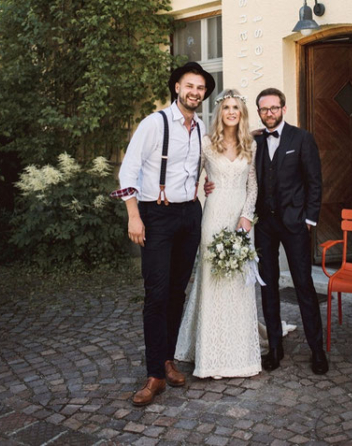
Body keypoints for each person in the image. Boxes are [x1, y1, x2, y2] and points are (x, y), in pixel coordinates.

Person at [205, 88, 329, 375]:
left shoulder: (302, 138)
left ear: (283, 109)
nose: (269, 113)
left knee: (303, 286)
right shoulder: (255, 141)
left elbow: (315, 182)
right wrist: (209, 185)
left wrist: (310, 220)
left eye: (274, 108)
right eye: (264, 109)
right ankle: (274, 347)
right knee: (268, 286)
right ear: (259, 112)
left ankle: (317, 350)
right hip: (264, 226)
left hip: (295, 224)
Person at [114, 62, 215, 406]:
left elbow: (200, 167)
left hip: (189, 213)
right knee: (156, 294)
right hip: (156, 213)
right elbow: (127, 170)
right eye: (190, 85)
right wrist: (134, 216)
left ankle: (168, 360)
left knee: (177, 292)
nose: (195, 92)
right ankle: (155, 374)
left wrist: (209, 182)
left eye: (200, 88)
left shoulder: (201, 126)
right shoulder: (154, 123)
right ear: (177, 87)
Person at [175, 89, 261, 379]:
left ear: (242, 112)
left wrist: (247, 216)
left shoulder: (250, 144)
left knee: (238, 283)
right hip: (213, 217)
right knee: (212, 279)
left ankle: (240, 354)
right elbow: (191, 178)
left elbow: (254, 186)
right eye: (226, 107)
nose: (231, 112)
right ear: (220, 113)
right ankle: (210, 356)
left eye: (236, 107)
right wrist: (201, 192)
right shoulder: (206, 144)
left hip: (240, 218)